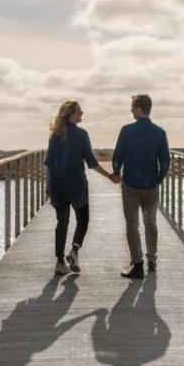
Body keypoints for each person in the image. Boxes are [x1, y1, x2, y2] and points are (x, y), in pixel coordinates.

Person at [45, 100, 116, 276]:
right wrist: (109, 176)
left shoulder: (55, 135)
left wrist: (48, 186)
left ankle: (60, 262)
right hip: (77, 186)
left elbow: (49, 164)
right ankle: (75, 250)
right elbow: (91, 162)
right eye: (79, 111)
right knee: (83, 220)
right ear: (71, 114)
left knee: (62, 222)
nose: (82, 113)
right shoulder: (82, 134)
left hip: (58, 185)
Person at [111, 94, 170, 279]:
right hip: (150, 185)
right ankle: (152, 259)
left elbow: (118, 155)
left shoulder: (127, 131)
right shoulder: (159, 132)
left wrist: (116, 172)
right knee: (150, 222)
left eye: (132, 107)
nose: (130, 110)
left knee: (132, 225)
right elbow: (165, 161)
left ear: (138, 109)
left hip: (130, 184)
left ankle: (137, 264)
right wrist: (158, 179)